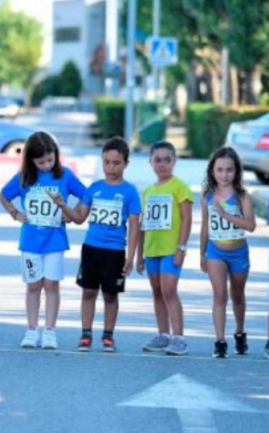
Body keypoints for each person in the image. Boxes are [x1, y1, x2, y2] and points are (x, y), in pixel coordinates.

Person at [0, 131, 86, 350]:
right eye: (41, 162)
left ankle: (49, 330)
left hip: (55, 242)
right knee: (33, 286)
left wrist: (72, 212)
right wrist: (15, 212)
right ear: (31, 160)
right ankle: (31, 330)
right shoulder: (25, 178)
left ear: (56, 155)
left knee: (51, 285)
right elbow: (3, 195)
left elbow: (87, 194)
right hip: (30, 242)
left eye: (50, 159)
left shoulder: (64, 175)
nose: (47, 165)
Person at [61, 137, 140, 352]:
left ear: (125, 164)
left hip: (114, 251)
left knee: (110, 294)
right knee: (88, 292)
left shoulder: (130, 192)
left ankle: (108, 335)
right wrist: (62, 205)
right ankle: (86, 334)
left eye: (116, 163)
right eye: (107, 162)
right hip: (91, 248)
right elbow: (79, 218)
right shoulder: (94, 188)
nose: (111, 167)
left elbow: (134, 226)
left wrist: (131, 256)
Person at [136, 141, 193, 356]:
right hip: (152, 250)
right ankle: (163, 334)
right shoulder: (147, 191)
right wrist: (140, 254)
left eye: (167, 160)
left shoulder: (180, 187)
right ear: (150, 162)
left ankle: (179, 338)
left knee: (169, 290)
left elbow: (187, 218)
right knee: (157, 291)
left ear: (174, 162)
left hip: (171, 249)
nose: (163, 164)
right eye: (158, 160)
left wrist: (181, 247)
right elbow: (142, 224)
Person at [199, 147, 255, 358]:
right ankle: (219, 341)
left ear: (236, 172)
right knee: (219, 295)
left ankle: (239, 332)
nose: (224, 175)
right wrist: (202, 253)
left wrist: (225, 213)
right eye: (220, 170)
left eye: (229, 170)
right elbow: (205, 226)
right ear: (212, 171)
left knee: (237, 295)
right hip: (216, 252)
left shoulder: (242, 197)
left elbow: (250, 225)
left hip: (238, 252)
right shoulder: (208, 196)